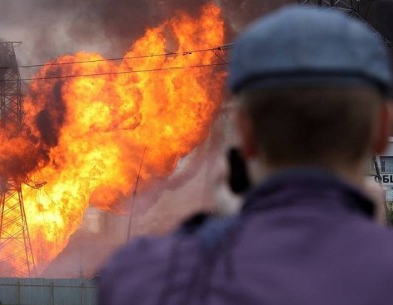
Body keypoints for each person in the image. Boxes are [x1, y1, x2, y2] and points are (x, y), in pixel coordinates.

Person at [98, 5, 393, 305]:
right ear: (383, 129)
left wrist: (221, 228)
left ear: (245, 132)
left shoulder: (152, 274)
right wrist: (368, 236)